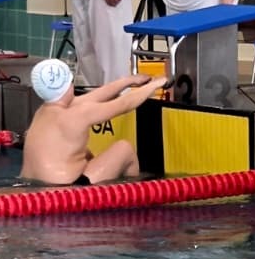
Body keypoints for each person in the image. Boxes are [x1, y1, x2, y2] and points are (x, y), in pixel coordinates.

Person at [19, 59, 169, 186]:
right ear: (68, 86)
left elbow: (96, 96)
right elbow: (125, 104)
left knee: (85, 152)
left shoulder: (43, 112)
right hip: (68, 192)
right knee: (124, 149)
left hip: (33, 191)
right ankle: (131, 197)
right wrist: (155, 84)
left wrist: (128, 81)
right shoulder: (78, 113)